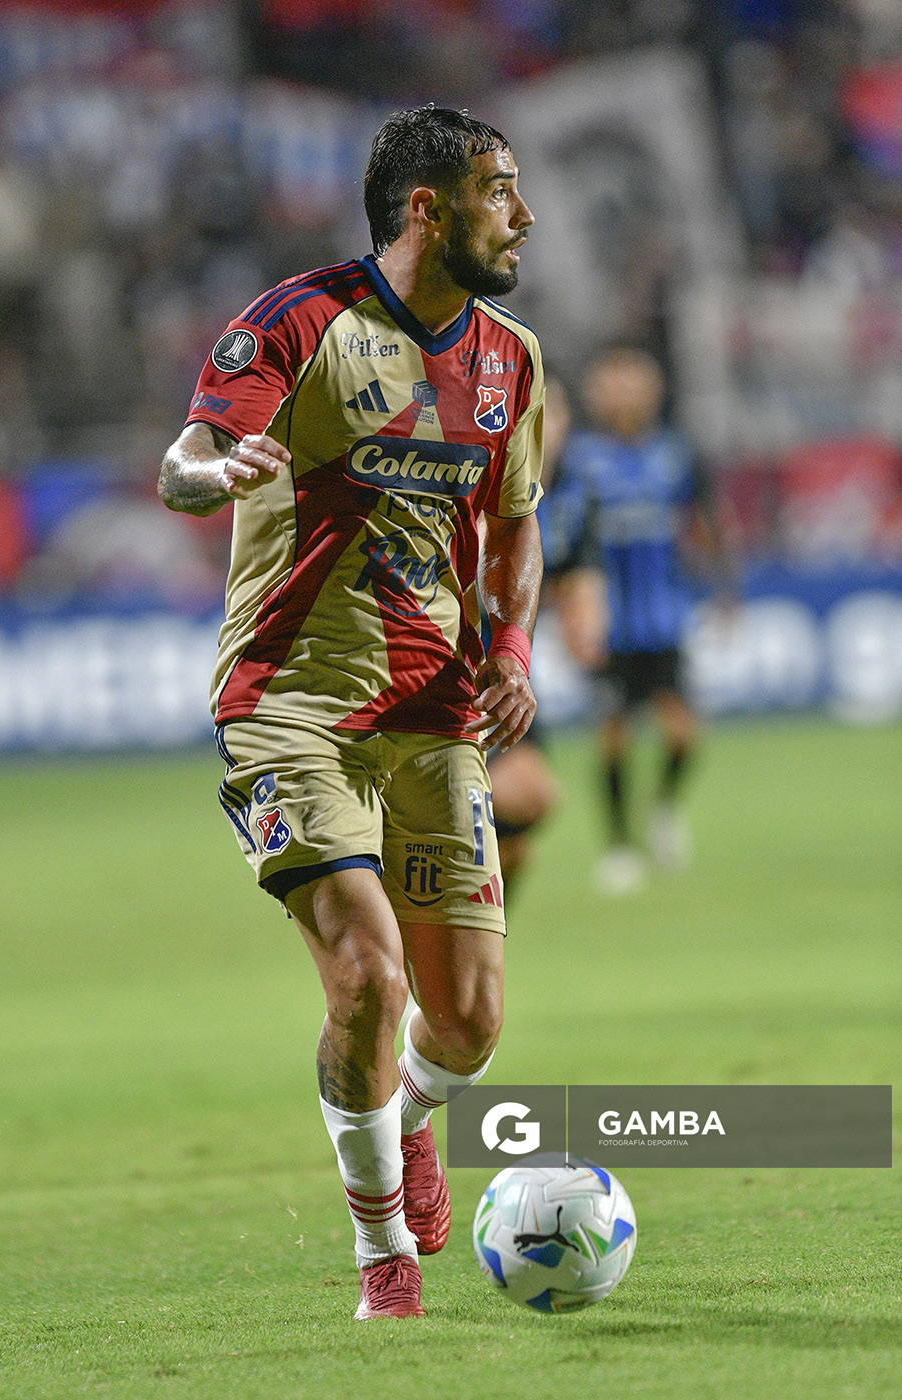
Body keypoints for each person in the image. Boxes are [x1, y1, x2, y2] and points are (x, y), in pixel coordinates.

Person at [158, 105, 543, 1319]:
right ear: (427, 209)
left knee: (471, 1022)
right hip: (287, 701)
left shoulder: (514, 359)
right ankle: (383, 1256)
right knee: (368, 975)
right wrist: (214, 472)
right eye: (500, 191)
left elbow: (517, 519)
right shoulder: (299, 321)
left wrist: (515, 643)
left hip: (435, 709)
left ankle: (411, 1122)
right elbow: (181, 460)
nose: (522, 213)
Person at [561, 345, 729, 894]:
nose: (624, 393)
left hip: (665, 621)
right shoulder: (578, 458)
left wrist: (726, 587)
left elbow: (705, 521)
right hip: (609, 625)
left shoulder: (675, 453)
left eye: (635, 381)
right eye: (614, 383)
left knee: (685, 733)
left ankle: (662, 808)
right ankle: (619, 847)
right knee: (612, 737)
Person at [486, 374, 607, 898]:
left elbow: (577, 580)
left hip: (507, 671)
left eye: (553, 413)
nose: (544, 425)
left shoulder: (574, 496)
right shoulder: (478, 477)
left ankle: (474, 951)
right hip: (452, 660)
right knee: (523, 795)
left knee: (518, 831)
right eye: (532, 411)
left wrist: (584, 620)